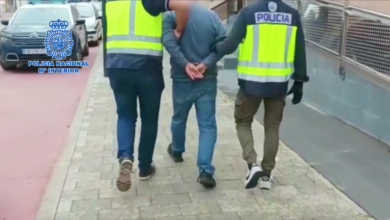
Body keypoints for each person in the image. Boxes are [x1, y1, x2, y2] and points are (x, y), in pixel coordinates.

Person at [213, 0, 309, 190]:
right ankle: (266, 176)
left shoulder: (248, 13)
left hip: (251, 84)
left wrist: (212, 51)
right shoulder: (292, 15)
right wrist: (299, 81)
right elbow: (299, 50)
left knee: (243, 122)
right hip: (278, 84)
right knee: (272, 128)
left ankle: (252, 165)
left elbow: (230, 45)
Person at [104, 0, 192, 192]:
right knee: (149, 120)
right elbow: (184, 5)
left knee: (125, 115)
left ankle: (126, 156)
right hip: (147, 68)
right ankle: (144, 168)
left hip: (117, 66)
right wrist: (178, 29)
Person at [162, 3, 226, 188]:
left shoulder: (171, 16)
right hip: (206, 80)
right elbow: (223, 43)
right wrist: (206, 63)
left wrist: (184, 64)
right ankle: (205, 170)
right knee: (207, 125)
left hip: (182, 80)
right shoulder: (212, 17)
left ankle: (177, 150)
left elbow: (168, 42)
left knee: (179, 118)